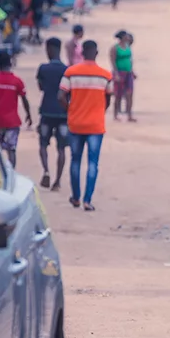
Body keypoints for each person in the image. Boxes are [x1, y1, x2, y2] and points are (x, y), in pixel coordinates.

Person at [58, 40, 113, 212]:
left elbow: (61, 96)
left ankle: (75, 197)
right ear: (96, 53)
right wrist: (99, 110)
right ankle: (87, 200)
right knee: (93, 163)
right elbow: (109, 99)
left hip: (76, 123)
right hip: (96, 125)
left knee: (75, 161)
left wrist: (71, 110)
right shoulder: (105, 75)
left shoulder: (71, 72)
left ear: (82, 54)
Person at [0, 51, 32, 168]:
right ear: (10, 63)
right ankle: (12, 174)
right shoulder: (17, 81)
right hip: (12, 122)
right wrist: (28, 114)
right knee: (11, 150)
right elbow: (24, 99)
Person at [37, 37, 69, 191]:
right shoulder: (67, 70)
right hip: (63, 113)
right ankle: (57, 181)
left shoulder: (43, 68)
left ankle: (46, 171)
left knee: (43, 144)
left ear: (49, 49)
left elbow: (41, 87)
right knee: (61, 148)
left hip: (46, 111)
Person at [110, 30, 136, 122]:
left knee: (129, 94)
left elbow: (130, 60)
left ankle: (129, 114)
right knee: (118, 95)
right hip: (119, 73)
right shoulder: (115, 48)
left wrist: (132, 71)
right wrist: (116, 74)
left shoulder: (128, 46)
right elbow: (112, 61)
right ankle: (115, 114)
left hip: (128, 72)